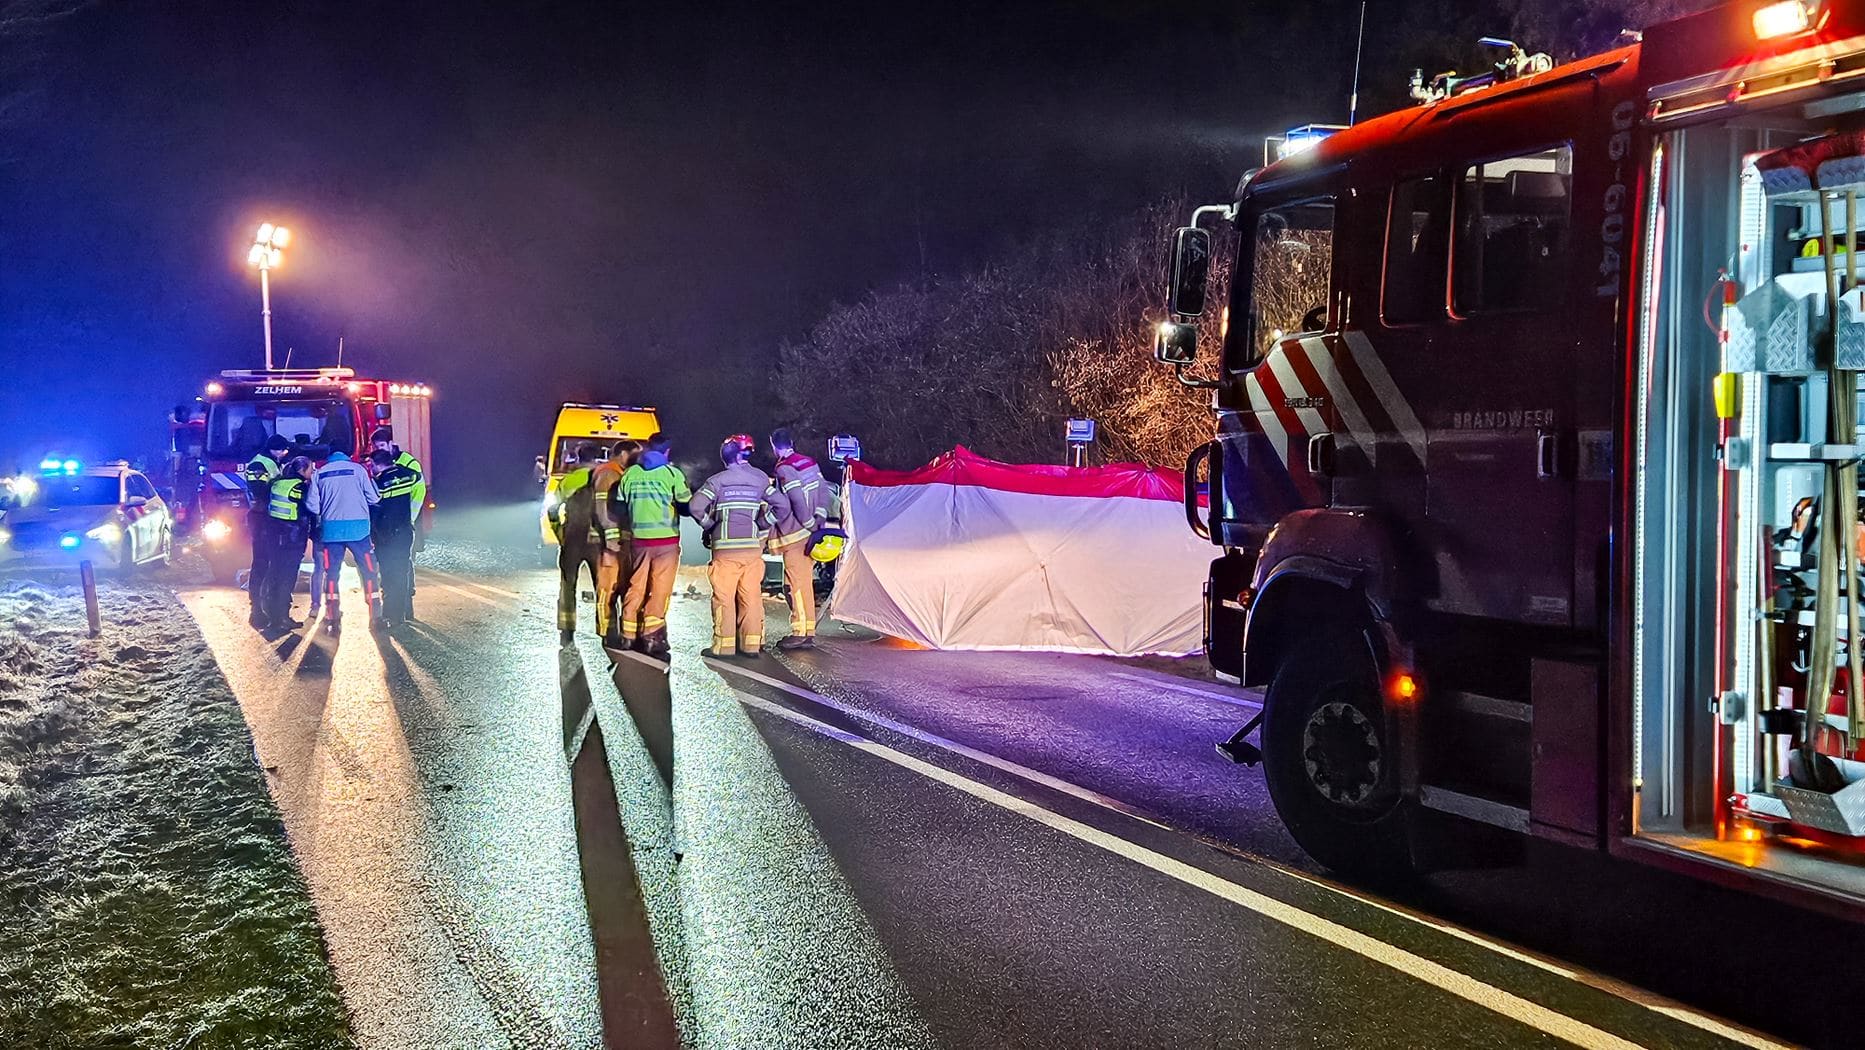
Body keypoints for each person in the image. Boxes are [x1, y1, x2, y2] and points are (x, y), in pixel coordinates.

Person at [690, 434, 777, 659]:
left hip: (725, 550)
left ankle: (724, 646)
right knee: (751, 597)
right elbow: (782, 506)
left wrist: (710, 525)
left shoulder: (718, 481)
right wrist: (762, 523)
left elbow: (695, 506)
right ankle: (751, 645)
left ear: (725, 456)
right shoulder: (760, 479)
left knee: (724, 598)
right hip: (752, 548)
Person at [620, 433, 691, 657]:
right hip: (666, 541)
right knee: (660, 588)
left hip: (639, 540)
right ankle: (651, 637)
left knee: (636, 584)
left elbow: (619, 507)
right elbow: (686, 507)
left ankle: (628, 635)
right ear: (667, 451)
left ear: (647, 447)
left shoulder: (631, 473)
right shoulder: (672, 474)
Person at [303, 448, 383, 633]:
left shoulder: (320, 474)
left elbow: (313, 507)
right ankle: (376, 616)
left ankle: (332, 616)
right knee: (369, 572)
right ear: (347, 454)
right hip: (359, 531)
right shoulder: (359, 470)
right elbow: (374, 498)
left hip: (332, 532)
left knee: (331, 574)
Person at [767, 427, 831, 650]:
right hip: (811, 531)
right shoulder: (809, 462)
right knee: (793, 583)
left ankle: (802, 633)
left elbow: (795, 498)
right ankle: (803, 628)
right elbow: (823, 490)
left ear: (773, 445)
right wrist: (819, 518)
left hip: (796, 534)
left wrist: (809, 523)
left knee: (798, 585)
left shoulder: (784, 468)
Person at [550, 443, 603, 645]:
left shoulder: (568, 480)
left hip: (573, 536)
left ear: (578, 458)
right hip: (599, 540)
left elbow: (552, 510)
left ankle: (567, 629)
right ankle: (607, 628)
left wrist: (560, 533)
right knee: (604, 586)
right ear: (597, 457)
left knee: (568, 583)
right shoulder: (605, 478)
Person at [370, 427, 426, 616]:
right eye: (376, 447)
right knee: (397, 568)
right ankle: (398, 611)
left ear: (391, 444)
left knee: (403, 566)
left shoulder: (409, 463)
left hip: (406, 520)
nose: (379, 449)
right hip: (394, 524)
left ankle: (404, 608)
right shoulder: (389, 466)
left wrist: (409, 518)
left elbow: (418, 493)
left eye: (382, 445)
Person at [592, 439, 641, 648]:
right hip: (611, 544)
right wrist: (611, 537)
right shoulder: (608, 474)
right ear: (623, 454)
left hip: (623, 541)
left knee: (624, 586)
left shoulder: (621, 473)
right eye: (634, 454)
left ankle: (622, 631)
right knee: (608, 587)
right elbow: (602, 509)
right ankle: (607, 631)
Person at [260, 456, 314, 631]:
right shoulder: (299, 487)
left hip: (274, 536)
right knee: (287, 578)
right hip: (292, 537)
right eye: (310, 469)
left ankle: (272, 615)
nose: (312, 472)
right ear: (302, 470)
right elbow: (309, 508)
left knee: (274, 573)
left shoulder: (276, 483)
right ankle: (283, 616)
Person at [244, 434, 292, 629]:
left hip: (268, 518)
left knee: (270, 563)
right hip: (261, 518)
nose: (285, 453)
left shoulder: (271, 462)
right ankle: (257, 610)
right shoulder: (259, 464)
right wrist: (279, 485)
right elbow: (258, 490)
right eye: (283, 450)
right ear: (275, 449)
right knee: (261, 563)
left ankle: (267, 608)